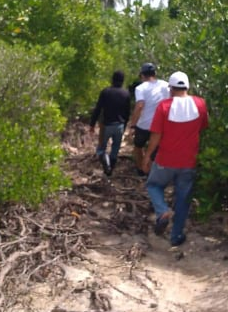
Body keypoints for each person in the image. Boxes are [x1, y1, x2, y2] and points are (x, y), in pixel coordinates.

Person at [142, 71, 208, 247]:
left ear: (170, 88)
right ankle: (176, 236)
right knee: (183, 199)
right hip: (189, 161)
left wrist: (148, 156)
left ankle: (162, 211)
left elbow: (156, 135)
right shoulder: (200, 104)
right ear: (187, 86)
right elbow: (203, 127)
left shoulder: (164, 106)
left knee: (153, 185)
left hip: (165, 160)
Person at [128, 63, 169, 176]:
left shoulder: (140, 88)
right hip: (161, 125)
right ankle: (155, 171)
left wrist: (133, 125)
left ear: (142, 75)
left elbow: (140, 106)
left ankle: (141, 170)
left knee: (138, 146)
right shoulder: (165, 85)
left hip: (144, 124)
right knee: (157, 148)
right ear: (155, 73)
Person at [89, 70, 131, 176]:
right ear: (122, 81)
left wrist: (92, 124)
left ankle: (107, 167)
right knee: (115, 149)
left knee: (101, 149)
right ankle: (110, 171)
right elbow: (127, 112)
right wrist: (125, 125)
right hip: (119, 125)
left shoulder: (106, 92)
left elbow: (98, 109)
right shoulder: (126, 94)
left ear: (112, 79)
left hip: (106, 125)